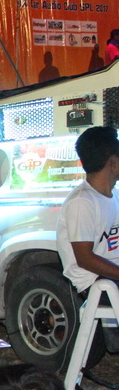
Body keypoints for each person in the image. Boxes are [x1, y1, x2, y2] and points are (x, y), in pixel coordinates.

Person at [56, 126, 119, 294]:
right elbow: (85, 259)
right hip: (96, 281)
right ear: (113, 162)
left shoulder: (114, 195)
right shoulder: (81, 202)